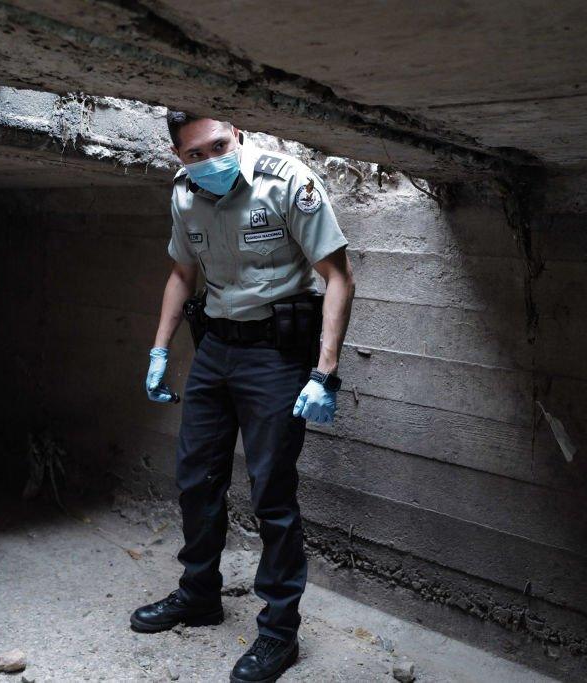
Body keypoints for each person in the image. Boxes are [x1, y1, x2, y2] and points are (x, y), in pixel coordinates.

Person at [129, 112, 355, 682]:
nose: (210, 161)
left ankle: (279, 632)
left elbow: (338, 277)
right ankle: (199, 594)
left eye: (220, 146)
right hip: (215, 352)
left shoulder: (287, 182)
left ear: (239, 135)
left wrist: (324, 373)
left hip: (275, 357)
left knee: (272, 495)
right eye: (194, 154)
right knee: (195, 479)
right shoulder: (185, 193)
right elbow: (183, 274)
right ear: (180, 158)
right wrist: (160, 349)